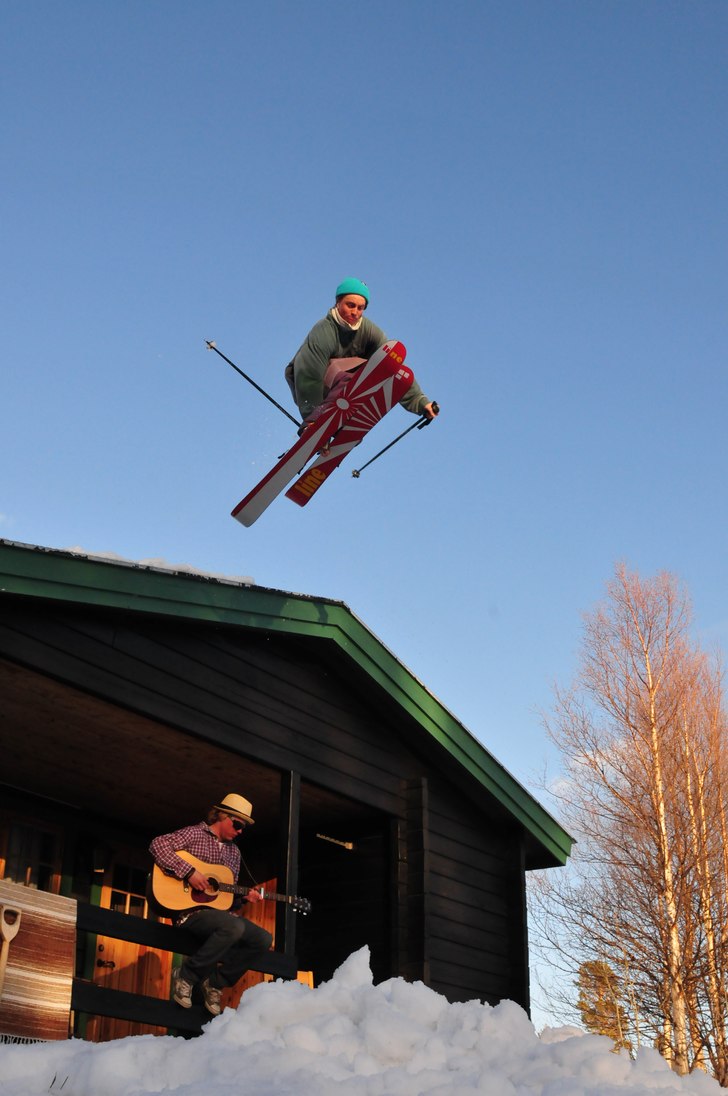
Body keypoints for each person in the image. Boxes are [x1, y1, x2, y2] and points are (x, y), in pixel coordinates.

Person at [149, 793, 273, 1017]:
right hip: (189, 912)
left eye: (243, 827)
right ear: (223, 817)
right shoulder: (195, 833)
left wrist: (244, 898)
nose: (240, 831)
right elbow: (158, 845)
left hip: (217, 916)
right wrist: (189, 872)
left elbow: (223, 899)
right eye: (237, 824)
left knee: (263, 939)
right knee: (233, 927)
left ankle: (215, 983)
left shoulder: (234, 853)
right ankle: (186, 976)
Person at [284, 277, 439, 425]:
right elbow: (309, 376)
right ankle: (324, 417)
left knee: (380, 365)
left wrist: (421, 402)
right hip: (311, 386)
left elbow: (393, 366)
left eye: (360, 308)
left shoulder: (370, 332)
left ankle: (344, 425)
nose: (355, 312)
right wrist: (312, 418)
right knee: (351, 372)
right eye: (350, 305)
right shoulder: (324, 331)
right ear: (338, 303)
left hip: (343, 392)